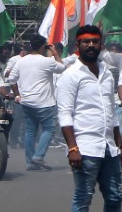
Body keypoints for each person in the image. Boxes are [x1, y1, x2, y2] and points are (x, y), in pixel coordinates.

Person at [57, 25, 122, 212]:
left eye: (95, 41)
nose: (91, 45)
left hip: (108, 148)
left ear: (101, 45)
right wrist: (72, 148)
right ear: (77, 46)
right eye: (86, 42)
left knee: (115, 197)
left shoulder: (106, 73)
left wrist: (119, 144)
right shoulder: (70, 75)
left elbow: (111, 113)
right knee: (83, 199)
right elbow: (65, 114)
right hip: (85, 147)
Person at [7, 34, 73, 171]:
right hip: (45, 103)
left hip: (27, 102)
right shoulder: (47, 61)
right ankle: (39, 156)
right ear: (43, 47)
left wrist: (17, 95)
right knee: (49, 129)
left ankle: (31, 162)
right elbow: (62, 68)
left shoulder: (21, 61)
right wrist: (55, 53)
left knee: (30, 131)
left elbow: (11, 79)